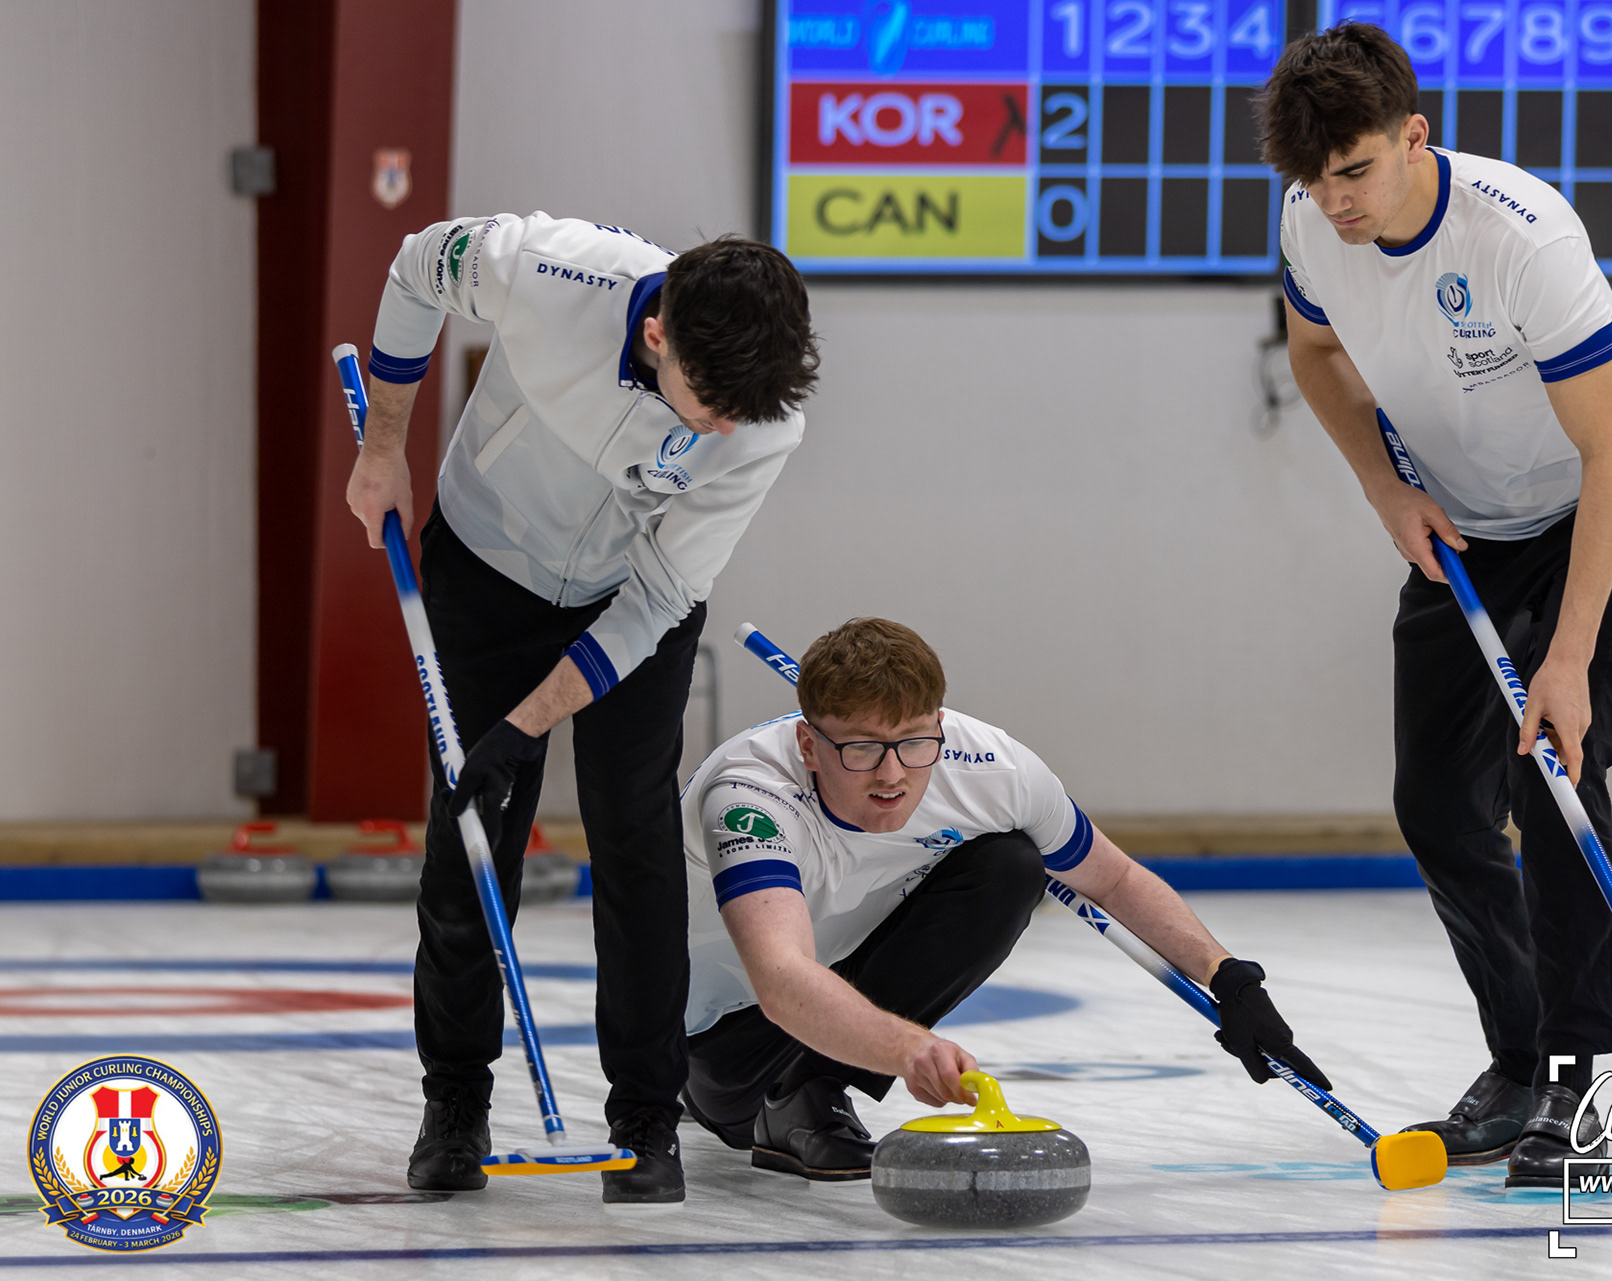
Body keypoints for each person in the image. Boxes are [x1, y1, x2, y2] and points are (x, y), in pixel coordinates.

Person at [1263, 24, 1612, 1186]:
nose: (1337, 202)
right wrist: (1382, 485)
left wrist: (1570, 659)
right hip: (1467, 523)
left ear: (1415, 136)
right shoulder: (1309, 220)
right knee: (1438, 804)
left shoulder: (1520, 237)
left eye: (1355, 170)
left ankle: (1575, 1079)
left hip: (1609, 502)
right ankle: (1518, 1058)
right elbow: (1316, 355)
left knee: (1551, 768)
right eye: (1315, 180)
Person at [345, 214, 820, 1202]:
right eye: (710, 406)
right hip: (484, 563)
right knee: (472, 837)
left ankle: (646, 1119)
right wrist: (383, 449)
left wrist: (525, 726)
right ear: (657, 334)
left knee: (636, 841)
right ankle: (455, 1103)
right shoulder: (547, 268)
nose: (722, 431)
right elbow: (417, 266)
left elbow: (658, 597)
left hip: (632, 597)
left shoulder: (763, 422)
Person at [677, 618, 1330, 1180]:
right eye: (862, 748)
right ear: (808, 745)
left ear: (940, 725)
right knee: (737, 1038)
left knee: (1011, 863)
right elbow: (781, 977)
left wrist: (1229, 977)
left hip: (828, 982)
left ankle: (809, 1090)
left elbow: (1113, 880)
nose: (892, 774)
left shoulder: (991, 767)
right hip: (720, 1034)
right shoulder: (750, 796)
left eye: (914, 742)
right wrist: (907, 1049)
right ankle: (737, 1094)